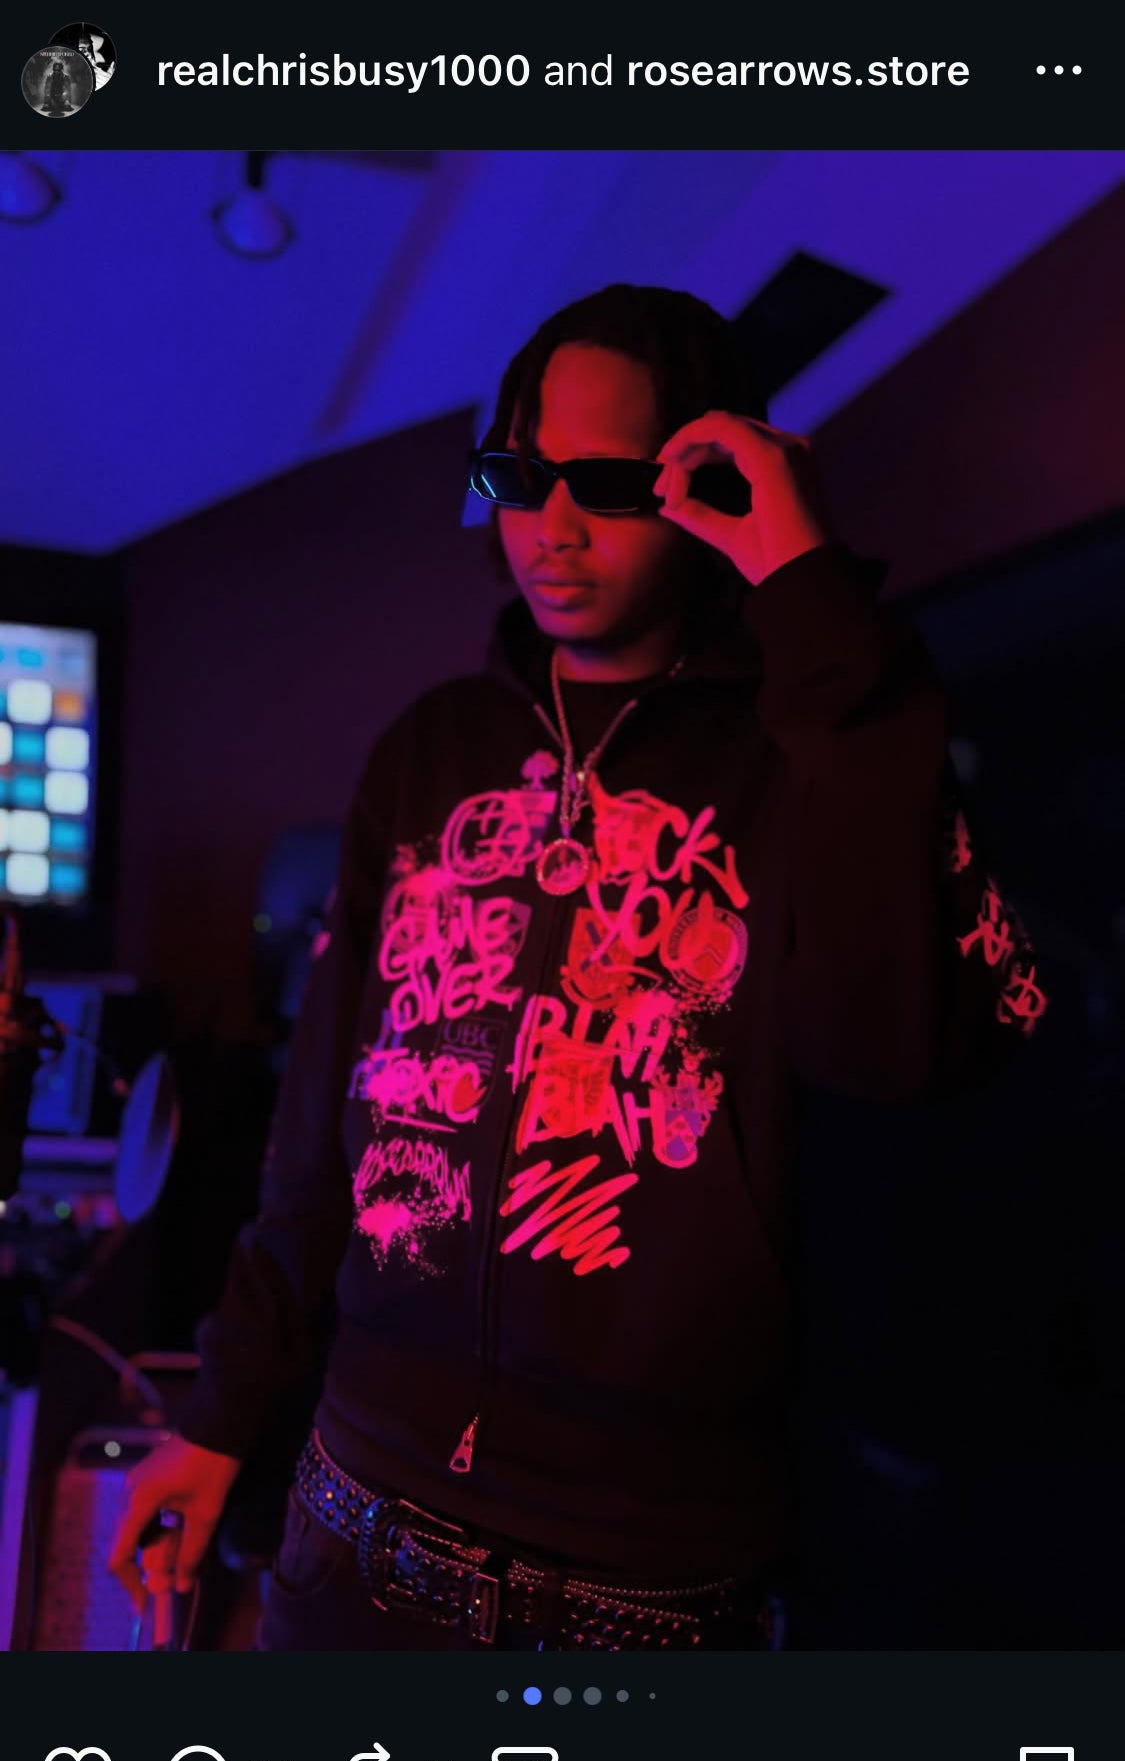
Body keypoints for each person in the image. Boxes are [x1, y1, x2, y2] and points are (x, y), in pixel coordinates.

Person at [110, 284, 1046, 1651]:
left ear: (701, 486)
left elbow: (893, 1047)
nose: (551, 525)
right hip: (352, 1520)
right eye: (516, 478)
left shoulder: (810, 756)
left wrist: (806, 590)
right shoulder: (426, 751)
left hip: (643, 1583)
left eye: (604, 484)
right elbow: (321, 1125)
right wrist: (220, 1413)